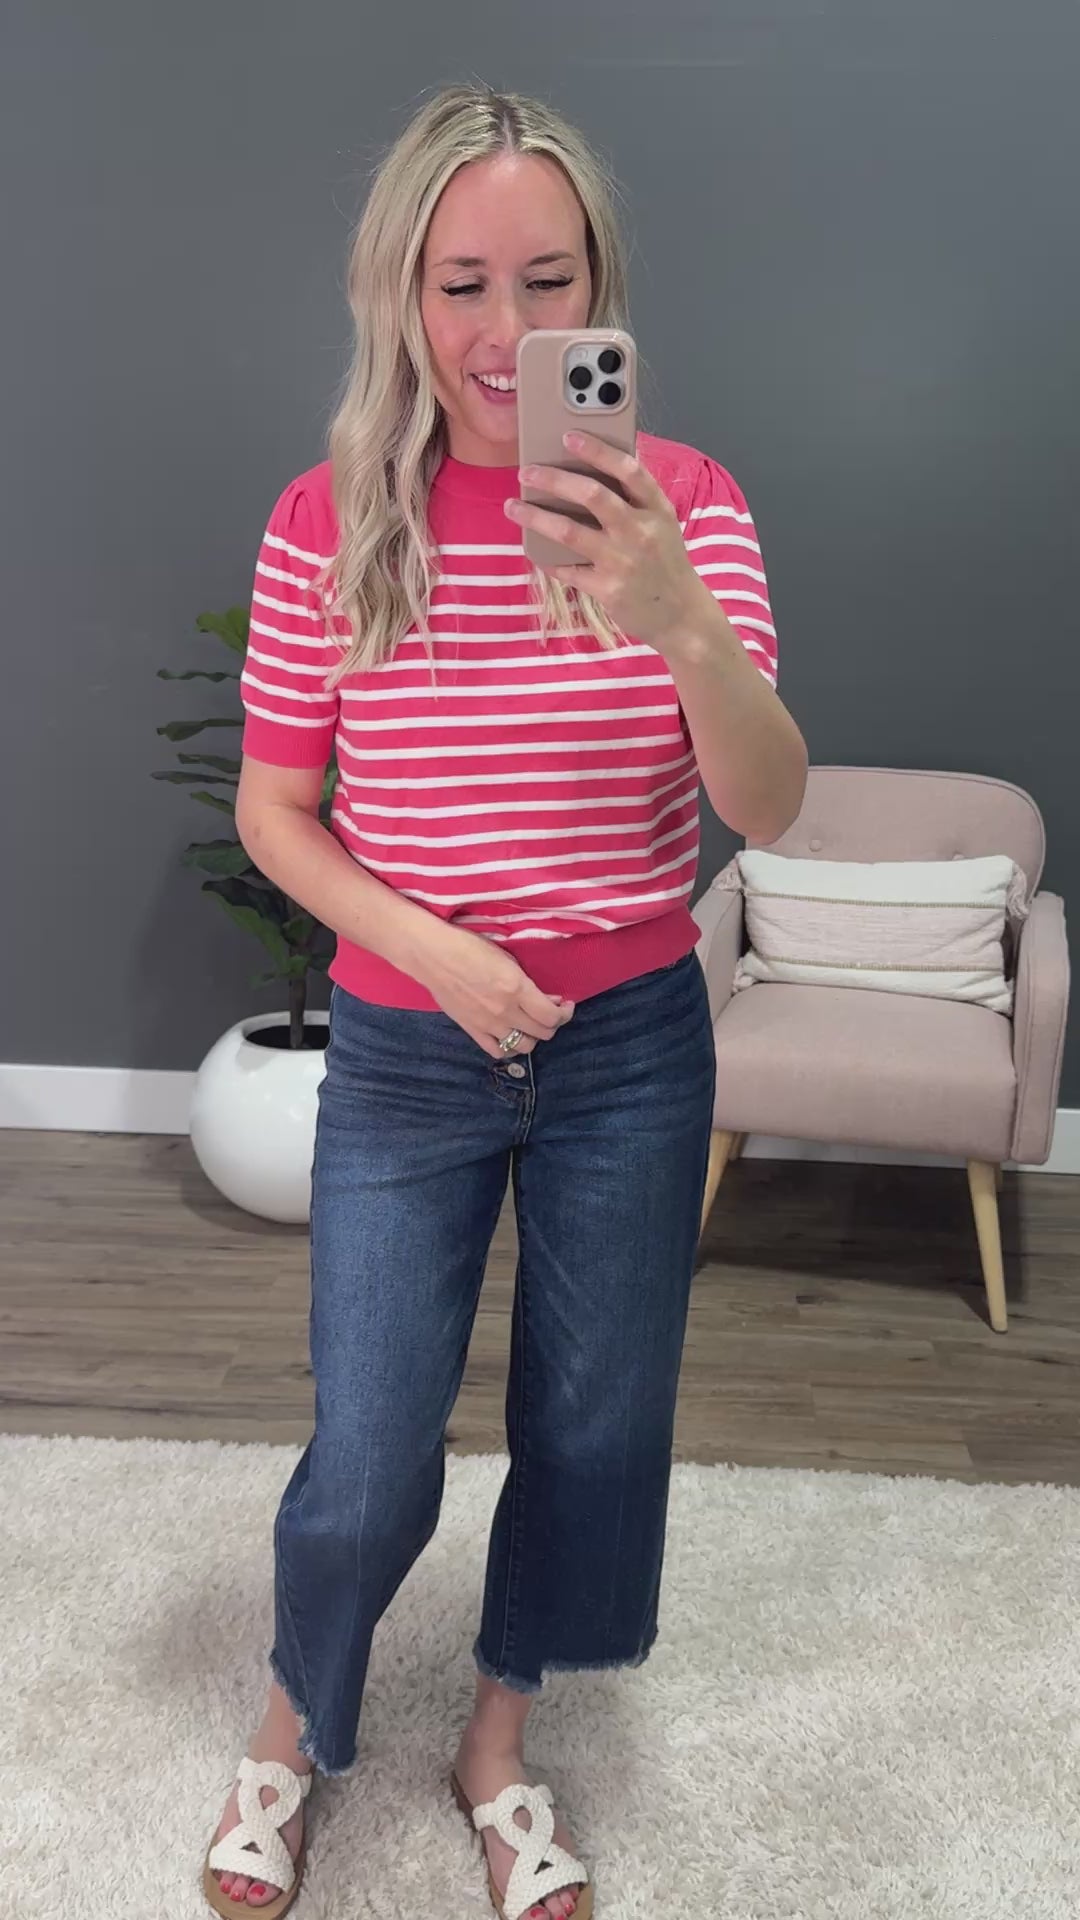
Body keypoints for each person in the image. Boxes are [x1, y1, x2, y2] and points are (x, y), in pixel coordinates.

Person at [203, 82, 807, 1920]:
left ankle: (497, 1740)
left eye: (548, 282)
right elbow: (276, 811)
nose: (503, 329)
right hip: (412, 1043)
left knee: (596, 1424)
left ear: (598, 289)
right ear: (398, 290)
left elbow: (771, 805)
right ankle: (294, 1721)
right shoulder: (329, 521)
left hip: (632, 1051)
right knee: (373, 1441)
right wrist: (441, 952)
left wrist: (676, 612)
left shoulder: (689, 506)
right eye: (461, 282)